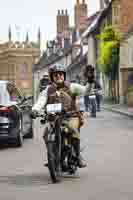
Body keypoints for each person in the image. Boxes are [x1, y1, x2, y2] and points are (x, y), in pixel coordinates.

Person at [32, 64, 93, 168]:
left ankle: (78, 156)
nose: (58, 76)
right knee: (46, 134)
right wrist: (34, 110)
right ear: (52, 77)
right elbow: (41, 101)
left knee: (73, 129)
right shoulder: (48, 90)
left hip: (71, 116)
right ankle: (53, 155)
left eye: (60, 74)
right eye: (56, 75)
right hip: (54, 117)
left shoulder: (72, 86)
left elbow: (86, 91)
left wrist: (90, 81)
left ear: (64, 76)